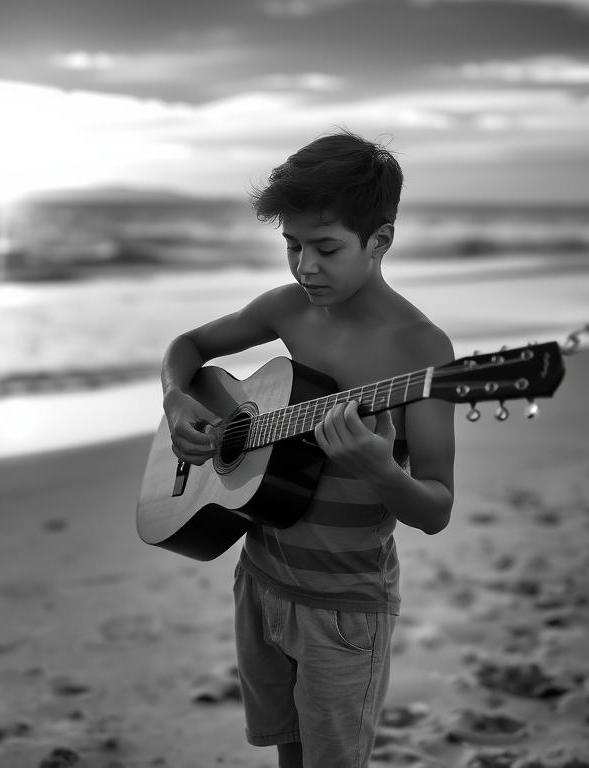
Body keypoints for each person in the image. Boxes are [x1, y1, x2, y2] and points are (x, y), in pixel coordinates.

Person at [159, 130, 455, 768]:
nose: (304, 267)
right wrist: (177, 401)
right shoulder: (288, 310)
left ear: (381, 241)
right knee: (286, 754)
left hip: (345, 607)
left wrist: (382, 474)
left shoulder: (422, 353)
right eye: (291, 246)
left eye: (326, 248)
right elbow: (186, 349)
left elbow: (435, 508)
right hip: (260, 578)